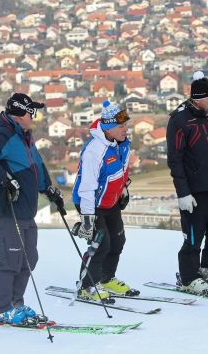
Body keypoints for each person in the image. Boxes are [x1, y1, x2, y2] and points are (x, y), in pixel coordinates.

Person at [0, 93, 64, 325]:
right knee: (10, 259)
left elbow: (36, 165)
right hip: (7, 210)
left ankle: (14, 303)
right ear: (20, 113)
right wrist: (4, 180)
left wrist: (49, 189)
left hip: (25, 209)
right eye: (31, 112)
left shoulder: (24, 135)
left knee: (29, 258)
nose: (34, 116)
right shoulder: (2, 134)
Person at [166, 71, 208, 295]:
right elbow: (175, 159)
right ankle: (188, 278)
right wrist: (182, 192)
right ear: (198, 99)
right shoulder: (180, 120)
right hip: (195, 191)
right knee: (194, 237)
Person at [72, 100, 135, 302]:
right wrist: (87, 218)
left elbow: (121, 171)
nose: (126, 129)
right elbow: (87, 187)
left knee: (118, 240)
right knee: (101, 244)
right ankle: (87, 286)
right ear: (108, 127)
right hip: (91, 204)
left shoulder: (122, 143)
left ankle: (106, 278)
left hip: (110, 202)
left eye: (126, 124)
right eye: (121, 126)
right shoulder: (94, 151)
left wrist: (122, 191)